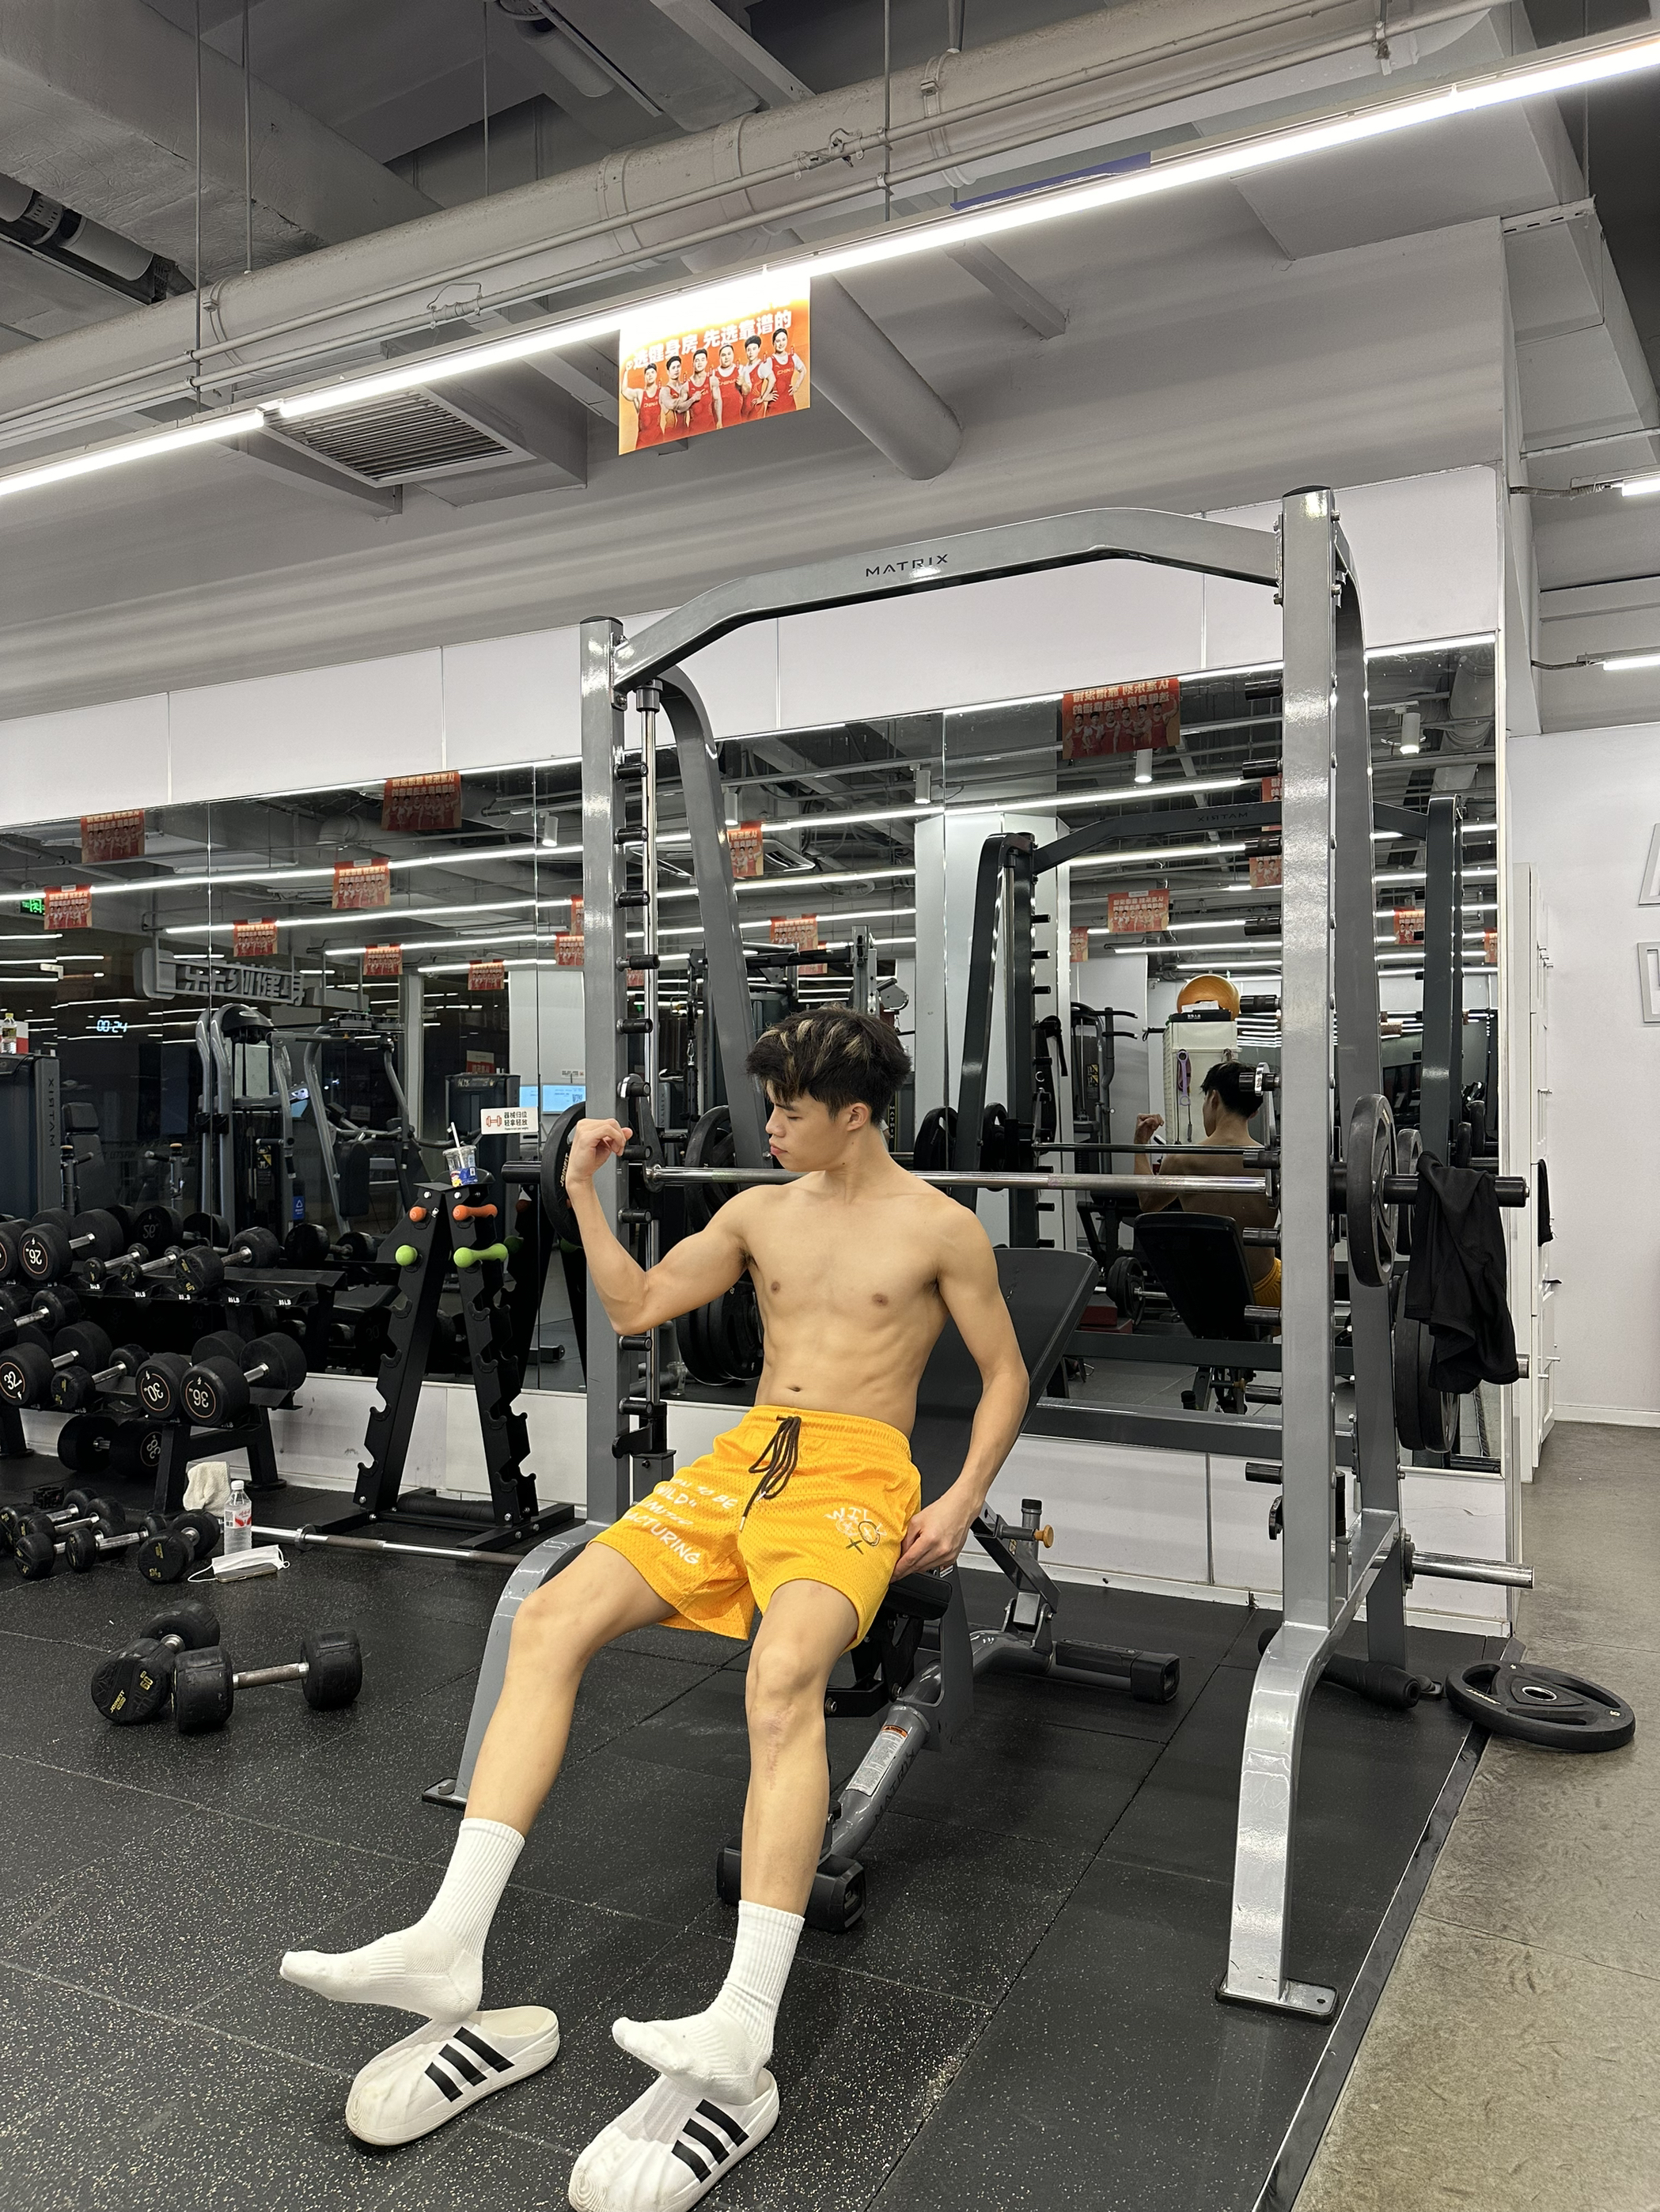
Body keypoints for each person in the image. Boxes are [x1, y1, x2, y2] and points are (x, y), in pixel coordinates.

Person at [279, 1009, 1029, 2210]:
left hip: (854, 1477)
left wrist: (963, 1493)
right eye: (767, 1106)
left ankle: (744, 2017)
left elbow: (1004, 1374)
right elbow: (633, 1307)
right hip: (747, 1458)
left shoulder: (938, 1228)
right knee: (548, 1618)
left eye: (789, 1111)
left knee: (781, 1678)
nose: (768, 1127)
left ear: (855, 1116)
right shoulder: (757, 1215)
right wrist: (580, 1192)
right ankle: (448, 1941)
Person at [1135, 1058, 1280, 1304]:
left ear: (1213, 1098)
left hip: (1209, 1297)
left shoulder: (1181, 1161)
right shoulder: (1274, 1164)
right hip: (1266, 1289)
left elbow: (1147, 1203)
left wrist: (1140, 1144)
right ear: (1254, 1112)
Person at [760, 322, 805, 413]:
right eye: (778, 341)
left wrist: (796, 386)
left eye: (784, 340)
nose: (781, 344)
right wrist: (763, 397)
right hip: (774, 408)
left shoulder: (793, 357)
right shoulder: (769, 361)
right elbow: (755, 380)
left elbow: (803, 370)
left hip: (790, 404)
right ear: (773, 343)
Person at [684, 345, 718, 437]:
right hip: (694, 432)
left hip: (711, 428)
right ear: (693, 363)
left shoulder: (712, 380)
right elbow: (680, 409)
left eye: (702, 360)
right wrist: (692, 399)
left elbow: (718, 401)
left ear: (706, 362)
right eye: (697, 360)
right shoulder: (686, 386)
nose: (700, 363)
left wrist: (719, 422)